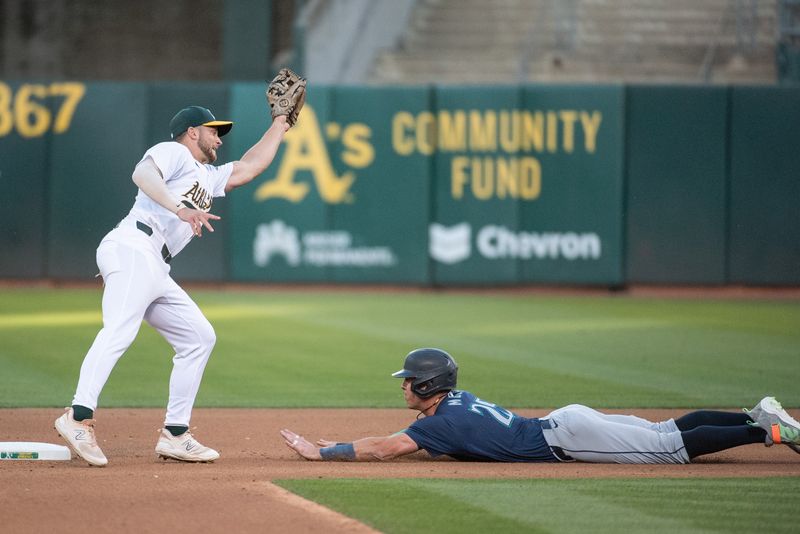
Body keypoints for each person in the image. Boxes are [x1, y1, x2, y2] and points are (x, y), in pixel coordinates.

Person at [56, 105, 291, 466]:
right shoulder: (175, 152)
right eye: (213, 130)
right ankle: (78, 416)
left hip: (154, 264)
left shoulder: (207, 175)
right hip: (133, 245)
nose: (219, 137)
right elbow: (142, 173)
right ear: (192, 132)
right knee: (119, 330)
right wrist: (180, 209)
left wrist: (280, 124)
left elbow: (249, 167)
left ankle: (175, 435)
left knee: (198, 338)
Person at [281, 348, 800, 463]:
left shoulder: (442, 423)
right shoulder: (452, 405)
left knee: (669, 447)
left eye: (408, 381)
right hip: (565, 423)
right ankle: (756, 414)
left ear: (428, 386)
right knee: (665, 428)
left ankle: (770, 431)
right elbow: (415, 437)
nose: (402, 387)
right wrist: (343, 442)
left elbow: (389, 447)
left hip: (568, 437)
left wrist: (324, 454)